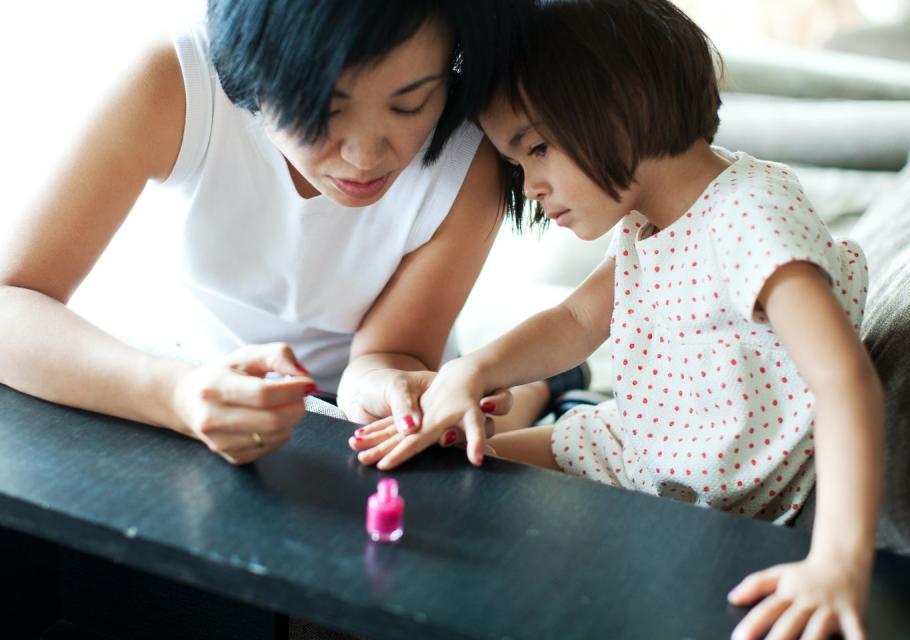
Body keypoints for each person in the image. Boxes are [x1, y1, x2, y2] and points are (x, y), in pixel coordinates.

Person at [351, 1, 885, 638]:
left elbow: (844, 381)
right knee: (440, 475)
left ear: (627, 102)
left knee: (460, 501)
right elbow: (578, 316)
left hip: (701, 490)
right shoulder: (645, 224)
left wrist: (837, 563)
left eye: (538, 148)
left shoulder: (749, 216)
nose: (529, 187)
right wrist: (471, 371)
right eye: (517, 167)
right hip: (629, 451)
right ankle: (542, 396)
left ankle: (546, 396)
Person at [0, 0, 559, 465]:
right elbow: (11, 301)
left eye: (410, 104)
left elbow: (392, 353)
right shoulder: (177, 83)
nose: (365, 156)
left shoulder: (467, 157)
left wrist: (390, 390)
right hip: (180, 370)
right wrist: (175, 394)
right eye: (323, 108)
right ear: (247, 67)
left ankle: (544, 388)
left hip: (363, 406)